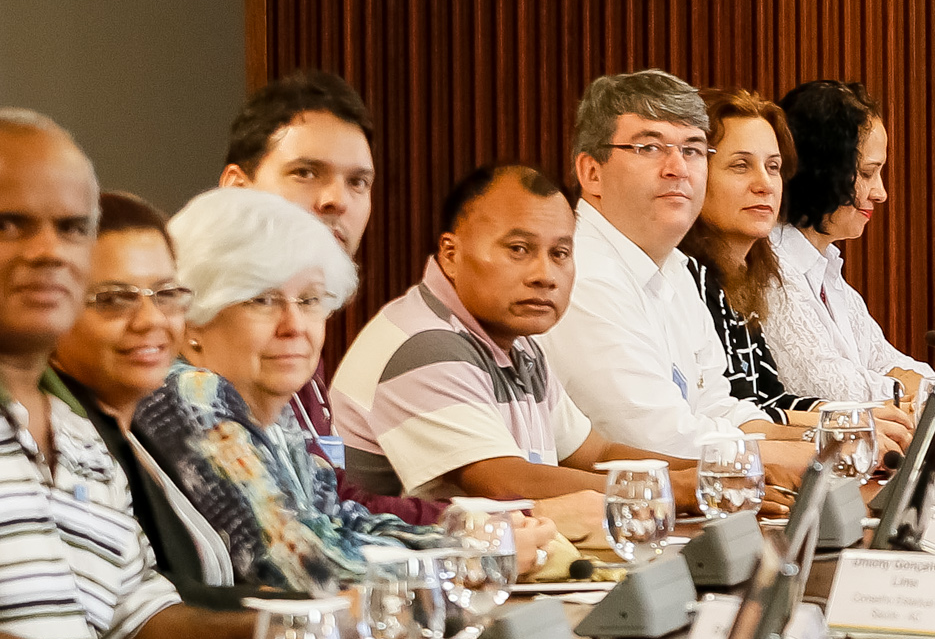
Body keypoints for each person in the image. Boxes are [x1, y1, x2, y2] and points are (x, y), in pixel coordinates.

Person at [0, 111, 303, 639]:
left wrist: (290, 635)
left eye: (71, 228)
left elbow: (137, 613)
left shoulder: (80, 435)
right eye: (10, 225)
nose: (49, 251)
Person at [332, 164, 698, 532]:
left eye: (560, 253)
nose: (544, 275)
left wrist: (705, 473)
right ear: (450, 254)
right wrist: (668, 489)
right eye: (519, 249)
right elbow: (503, 482)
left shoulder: (518, 343)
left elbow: (595, 453)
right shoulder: (424, 342)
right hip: (397, 578)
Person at [132, 189, 449, 592]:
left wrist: (468, 540)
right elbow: (297, 565)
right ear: (193, 320)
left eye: (310, 299)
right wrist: (471, 562)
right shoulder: (192, 394)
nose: (294, 325)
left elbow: (339, 520)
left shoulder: (270, 407)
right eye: (263, 300)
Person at [545, 70, 811, 487]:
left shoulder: (675, 266)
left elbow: (719, 407)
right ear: (591, 172)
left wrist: (819, 442)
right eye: (650, 147)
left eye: (692, 149)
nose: (678, 168)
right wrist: (810, 454)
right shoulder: (579, 270)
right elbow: (653, 439)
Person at [213, 70, 447, 526]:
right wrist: (468, 532)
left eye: (358, 182)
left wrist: (471, 523)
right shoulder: (215, 328)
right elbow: (289, 532)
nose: (335, 199)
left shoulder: (300, 322)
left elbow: (330, 501)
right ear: (237, 190)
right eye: (306, 173)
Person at [679, 86, 905, 446]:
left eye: (774, 167)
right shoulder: (689, 279)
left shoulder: (747, 274)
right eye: (741, 165)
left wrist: (846, 419)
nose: (765, 185)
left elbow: (768, 403)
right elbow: (720, 419)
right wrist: (842, 423)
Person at [51, 197, 234, 602]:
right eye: (114, 299)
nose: (150, 319)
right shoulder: (55, 443)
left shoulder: (134, 431)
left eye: (165, 294)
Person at [768, 80, 932, 409]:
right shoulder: (770, 268)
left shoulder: (826, 267)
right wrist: (900, 385)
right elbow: (833, 388)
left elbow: (918, 375)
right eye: (868, 173)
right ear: (822, 171)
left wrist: (895, 381)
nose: (881, 193)